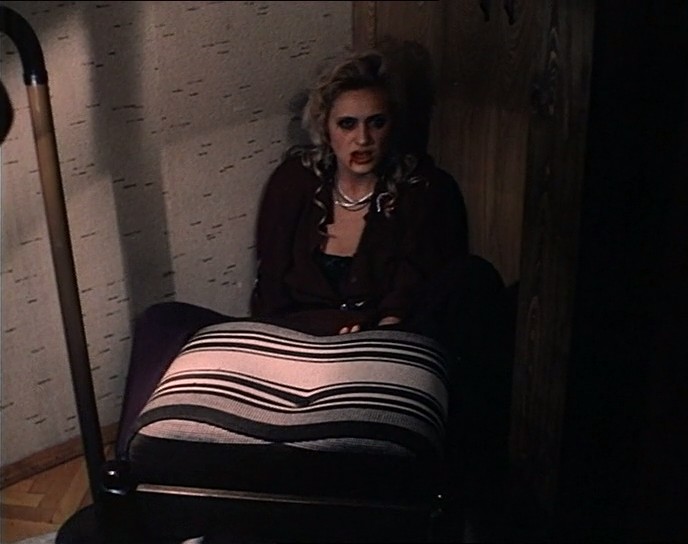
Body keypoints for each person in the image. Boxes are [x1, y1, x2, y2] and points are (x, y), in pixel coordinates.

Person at [115, 49, 512, 457]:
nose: (363, 139)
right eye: (347, 124)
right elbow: (271, 285)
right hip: (294, 336)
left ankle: (463, 476)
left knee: (475, 277)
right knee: (161, 321)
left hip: (380, 339)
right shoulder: (293, 181)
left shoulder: (424, 187)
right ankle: (126, 466)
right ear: (326, 128)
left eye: (377, 122)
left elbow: (413, 288)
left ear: (393, 125)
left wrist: (374, 328)